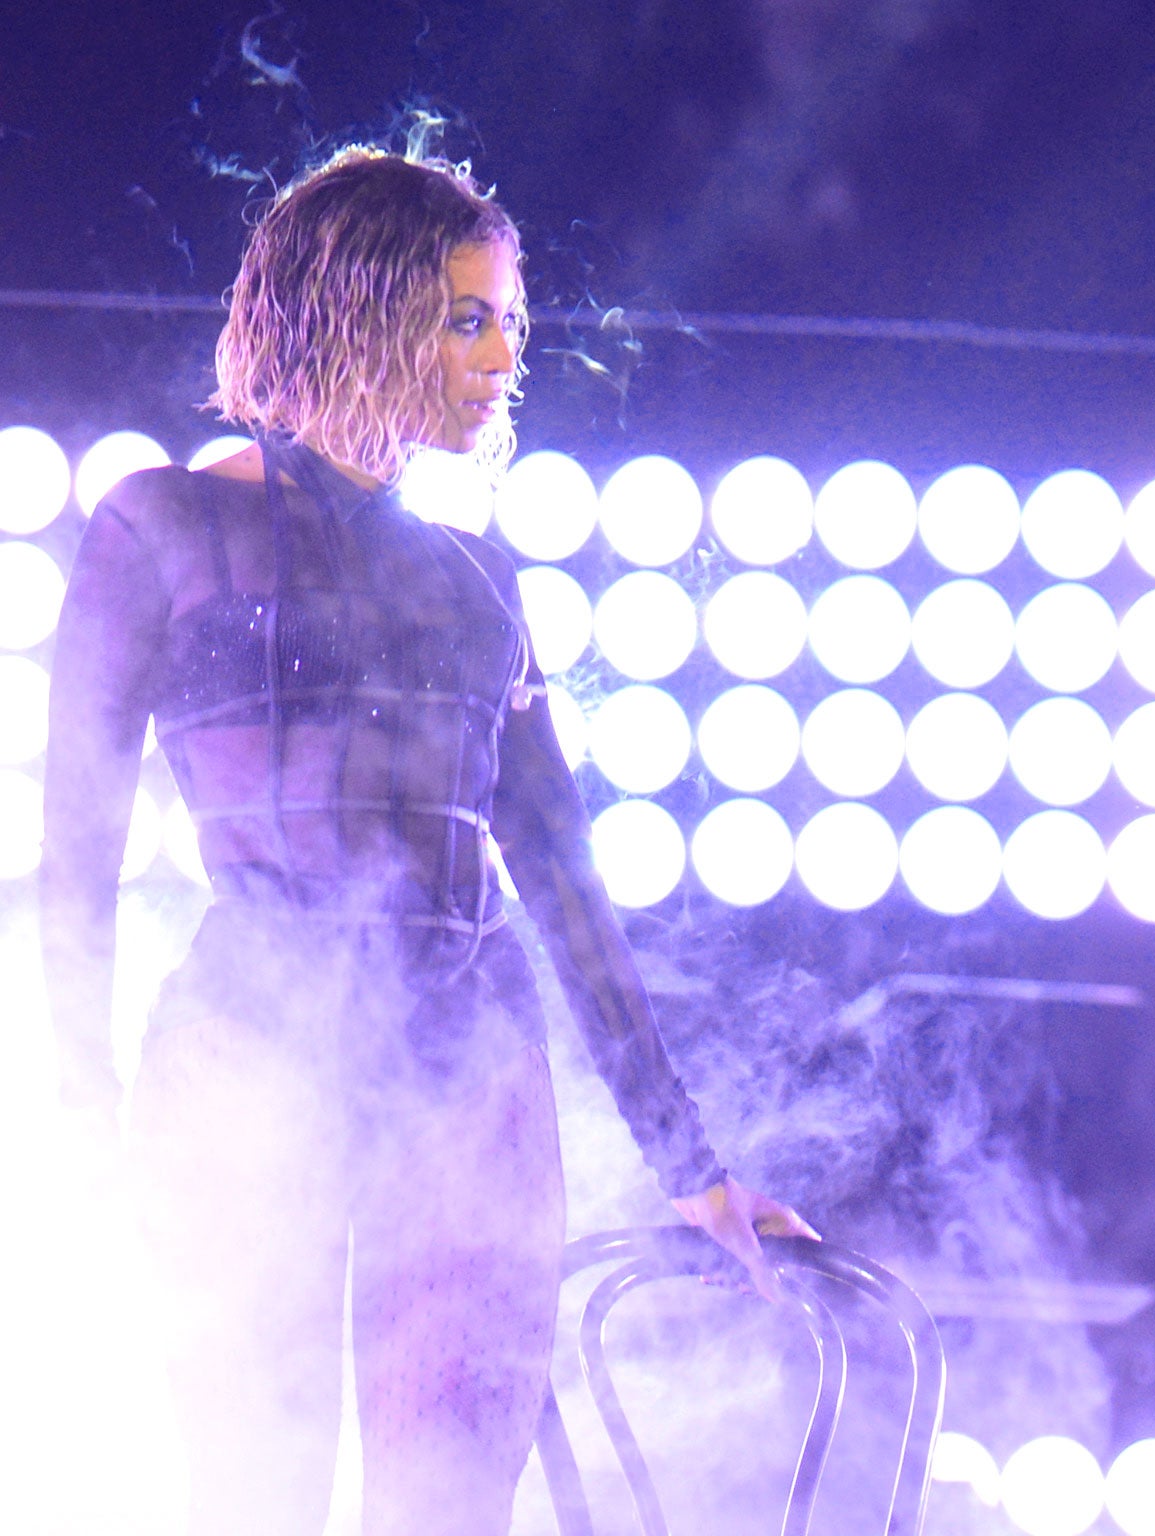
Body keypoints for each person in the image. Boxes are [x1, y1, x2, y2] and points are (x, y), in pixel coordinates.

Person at [39, 146, 813, 1536]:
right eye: (471, 317)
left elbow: (565, 885)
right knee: (241, 1505)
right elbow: (72, 860)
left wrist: (689, 1162)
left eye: (514, 319)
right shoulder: (166, 525)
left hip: (469, 1082)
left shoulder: (478, 580)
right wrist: (76, 1111)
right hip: (242, 1068)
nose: (508, 352)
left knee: (450, 1516)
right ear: (362, 310)